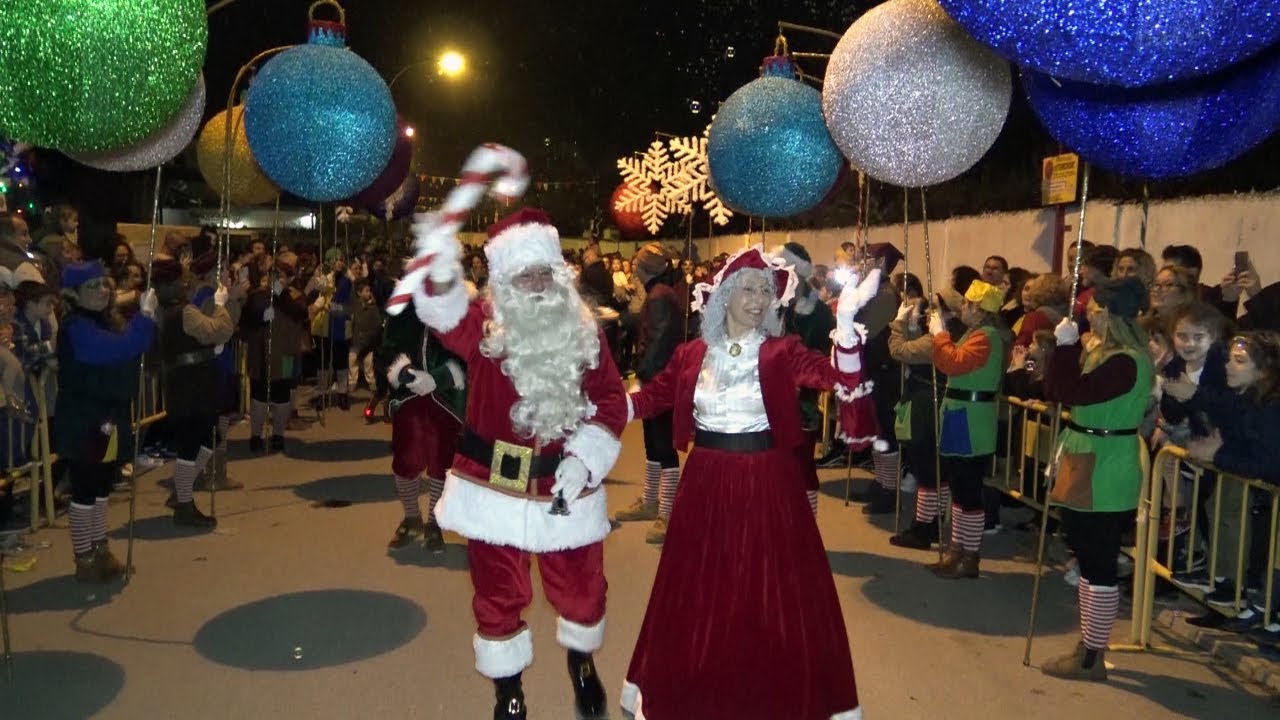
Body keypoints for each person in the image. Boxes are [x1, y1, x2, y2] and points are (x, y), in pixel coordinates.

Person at [619, 245, 877, 720]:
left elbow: (837, 381)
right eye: (749, 289)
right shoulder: (692, 353)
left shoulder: (783, 351)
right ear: (723, 297)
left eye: (766, 290)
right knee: (701, 593)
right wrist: (602, 407)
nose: (759, 299)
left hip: (768, 483)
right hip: (707, 481)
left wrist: (844, 328)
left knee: (772, 594)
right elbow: (653, 396)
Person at [409, 208, 627, 720]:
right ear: (502, 280)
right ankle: (508, 689)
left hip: (567, 482)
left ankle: (581, 661)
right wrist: (438, 258)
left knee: (582, 592)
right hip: (493, 483)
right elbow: (442, 312)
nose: (535, 283)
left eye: (543, 272)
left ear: (559, 274)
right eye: (522, 274)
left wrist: (587, 457)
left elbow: (613, 400)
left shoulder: (585, 333)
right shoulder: (483, 329)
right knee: (498, 591)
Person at [1042, 277, 1154, 681]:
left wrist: (1067, 348)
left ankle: (1092, 654)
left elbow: (1067, 391)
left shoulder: (1126, 361)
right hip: (1086, 455)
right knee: (1087, 558)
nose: (1087, 317)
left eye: (1092, 311)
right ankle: (1088, 643)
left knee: (1098, 561)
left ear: (1108, 314)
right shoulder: (1107, 353)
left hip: (1106, 465)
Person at [55, 261, 156, 582]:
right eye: (92, 286)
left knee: (101, 486)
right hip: (85, 419)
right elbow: (116, 350)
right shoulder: (76, 327)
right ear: (73, 294)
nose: (101, 291)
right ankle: (84, 557)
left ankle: (100, 549)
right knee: (85, 489)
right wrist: (145, 319)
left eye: (103, 284)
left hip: (106, 419)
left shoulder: (103, 322)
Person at [921, 279, 1007, 578]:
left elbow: (954, 363)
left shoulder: (986, 336)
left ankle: (968, 556)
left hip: (971, 420)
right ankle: (957, 550)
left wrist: (940, 336)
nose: (964, 308)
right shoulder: (976, 333)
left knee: (968, 490)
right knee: (959, 487)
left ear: (982, 310)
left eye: (969, 304)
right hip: (961, 416)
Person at [152, 259, 236, 527]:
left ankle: (182, 490)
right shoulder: (183, 312)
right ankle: (184, 503)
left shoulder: (160, 311)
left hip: (187, 381)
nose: (185, 286)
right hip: (192, 384)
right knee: (193, 442)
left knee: (208, 437)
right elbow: (220, 330)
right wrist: (221, 306)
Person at [379, 299, 466, 553]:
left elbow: (469, 352)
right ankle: (411, 517)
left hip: (446, 398)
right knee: (406, 458)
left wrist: (440, 377)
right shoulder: (403, 309)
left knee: (442, 461)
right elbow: (387, 350)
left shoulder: (459, 307)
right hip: (409, 395)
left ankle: (434, 522)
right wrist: (404, 373)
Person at [614, 244, 682, 544]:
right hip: (659, 378)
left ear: (644, 269)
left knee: (663, 445)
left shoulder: (659, 297)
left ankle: (668, 512)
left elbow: (657, 341)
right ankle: (652, 500)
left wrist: (642, 376)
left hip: (661, 381)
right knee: (652, 444)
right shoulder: (660, 294)